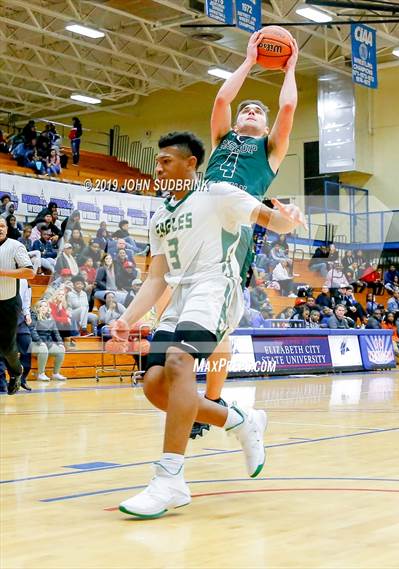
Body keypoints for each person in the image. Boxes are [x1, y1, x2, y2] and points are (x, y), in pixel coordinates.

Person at [111, 131, 305, 519]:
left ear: (190, 164)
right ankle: (240, 420)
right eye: (157, 161)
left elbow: (273, 222)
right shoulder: (160, 216)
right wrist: (127, 318)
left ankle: (170, 478)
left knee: (180, 362)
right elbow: (155, 279)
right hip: (179, 297)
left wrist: (289, 219)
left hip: (215, 287)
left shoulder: (218, 194)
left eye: (166, 161)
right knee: (154, 386)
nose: (158, 168)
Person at [192, 30, 300, 434]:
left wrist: (290, 68)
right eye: (247, 109)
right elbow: (222, 100)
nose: (251, 111)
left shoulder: (270, 149)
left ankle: (214, 400)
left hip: (233, 231)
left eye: (258, 110)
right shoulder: (222, 138)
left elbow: (287, 108)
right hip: (197, 221)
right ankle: (196, 396)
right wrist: (250, 61)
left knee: (221, 324)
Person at [0, 217, 35, 393]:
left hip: (8, 302)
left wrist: (3, 272)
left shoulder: (15, 246)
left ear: (7, 228)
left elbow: (30, 272)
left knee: (7, 346)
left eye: (2, 225)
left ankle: (16, 372)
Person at [0, 279, 33, 392]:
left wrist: (27, 314)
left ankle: (22, 379)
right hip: (4, 317)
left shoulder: (25, 281)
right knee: (3, 351)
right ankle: (2, 383)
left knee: (26, 346)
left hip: (20, 317)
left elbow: (26, 299)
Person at [30, 301, 67, 381]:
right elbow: (32, 331)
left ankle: (56, 374)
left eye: (45, 306)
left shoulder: (50, 318)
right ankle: (41, 374)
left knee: (61, 350)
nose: (43, 308)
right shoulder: (33, 317)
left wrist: (60, 343)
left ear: (48, 308)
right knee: (43, 349)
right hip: (34, 343)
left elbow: (56, 332)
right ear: (37, 308)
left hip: (47, 342)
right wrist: (39, 342)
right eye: (41, 306)